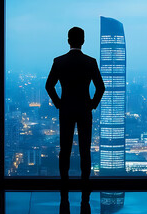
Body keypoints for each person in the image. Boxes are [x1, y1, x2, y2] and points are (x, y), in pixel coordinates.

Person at [46, 27, 105, 184]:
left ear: (68, 40)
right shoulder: (90, 62)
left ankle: (64, 183)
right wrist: (92, 105)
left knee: (64, 149)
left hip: (66, 110)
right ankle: (85, 184)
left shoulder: (59, 62)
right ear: (83, 41)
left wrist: (59, 104)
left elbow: (49, 86)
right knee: (85, 150)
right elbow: (101, 87)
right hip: (85, 110)